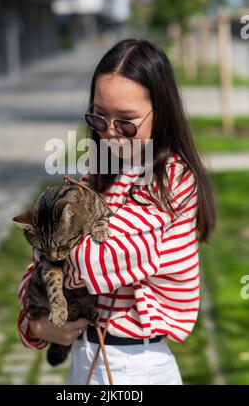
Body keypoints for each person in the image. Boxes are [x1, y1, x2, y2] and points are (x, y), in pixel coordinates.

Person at [17, 38, 217, 385]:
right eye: (98, 118)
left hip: (134, 365)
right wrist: (35, 324)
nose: (110, 134)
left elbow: (94, 263)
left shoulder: (169, 181)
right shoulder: (96, 177)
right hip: (86, 355)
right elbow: (36, 271)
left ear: (162, 112)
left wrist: (53, 259)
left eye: (126, 122)